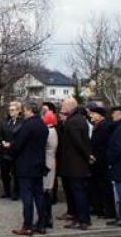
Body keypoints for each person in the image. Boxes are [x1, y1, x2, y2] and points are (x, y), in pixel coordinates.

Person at [8, 101, 48, 236]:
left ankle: (27, 226)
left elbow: (18, 144)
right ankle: (42, 224)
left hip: (25, 165)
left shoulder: (27, 125)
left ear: (29, 110)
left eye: (25, 110)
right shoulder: (43, 125)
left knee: (27, 196)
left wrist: (11, 150)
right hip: (39, 164)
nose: (24, 112)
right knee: (39, 195)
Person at [59, 98, 92, 230]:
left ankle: (82, 220)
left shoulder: (73, 122)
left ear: (70, 107)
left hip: (75, 164)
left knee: (78, 193)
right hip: (77, 163)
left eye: (64, 105)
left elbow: (78, 143)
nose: (61, 107)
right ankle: (81, 218)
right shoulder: (79, 119)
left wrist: (87, 156)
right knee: (79, 192)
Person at [88, 106, 116, 220]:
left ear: (100, 115)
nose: (91, 116)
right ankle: (99, 209)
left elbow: (103, 145)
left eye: (94, 114)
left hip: (102, 161)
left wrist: (96, 156)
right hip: (97, 161)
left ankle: (108, 211)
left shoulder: (104, 126)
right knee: (98, 186)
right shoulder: (98, 125)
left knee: (105, 187)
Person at [0, 101, 23, 200]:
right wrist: (2, 141)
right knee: (4, 172)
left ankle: (16, 192)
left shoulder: (22, 123)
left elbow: (21, 137)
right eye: (9, 110)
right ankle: (6, 191)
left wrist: (11, 143)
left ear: (18, 111)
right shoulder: (5, 122)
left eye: (12, 110)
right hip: (4, 151)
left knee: (15, 174)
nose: (10, 112)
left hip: (15, 152)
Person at [41, 109, 59, 230]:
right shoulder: (53, 131)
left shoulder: (49, 131)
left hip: (47, 164)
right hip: (51, 162)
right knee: (47, 191)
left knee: (45, 191)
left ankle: (46, 217)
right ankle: (47, 217)